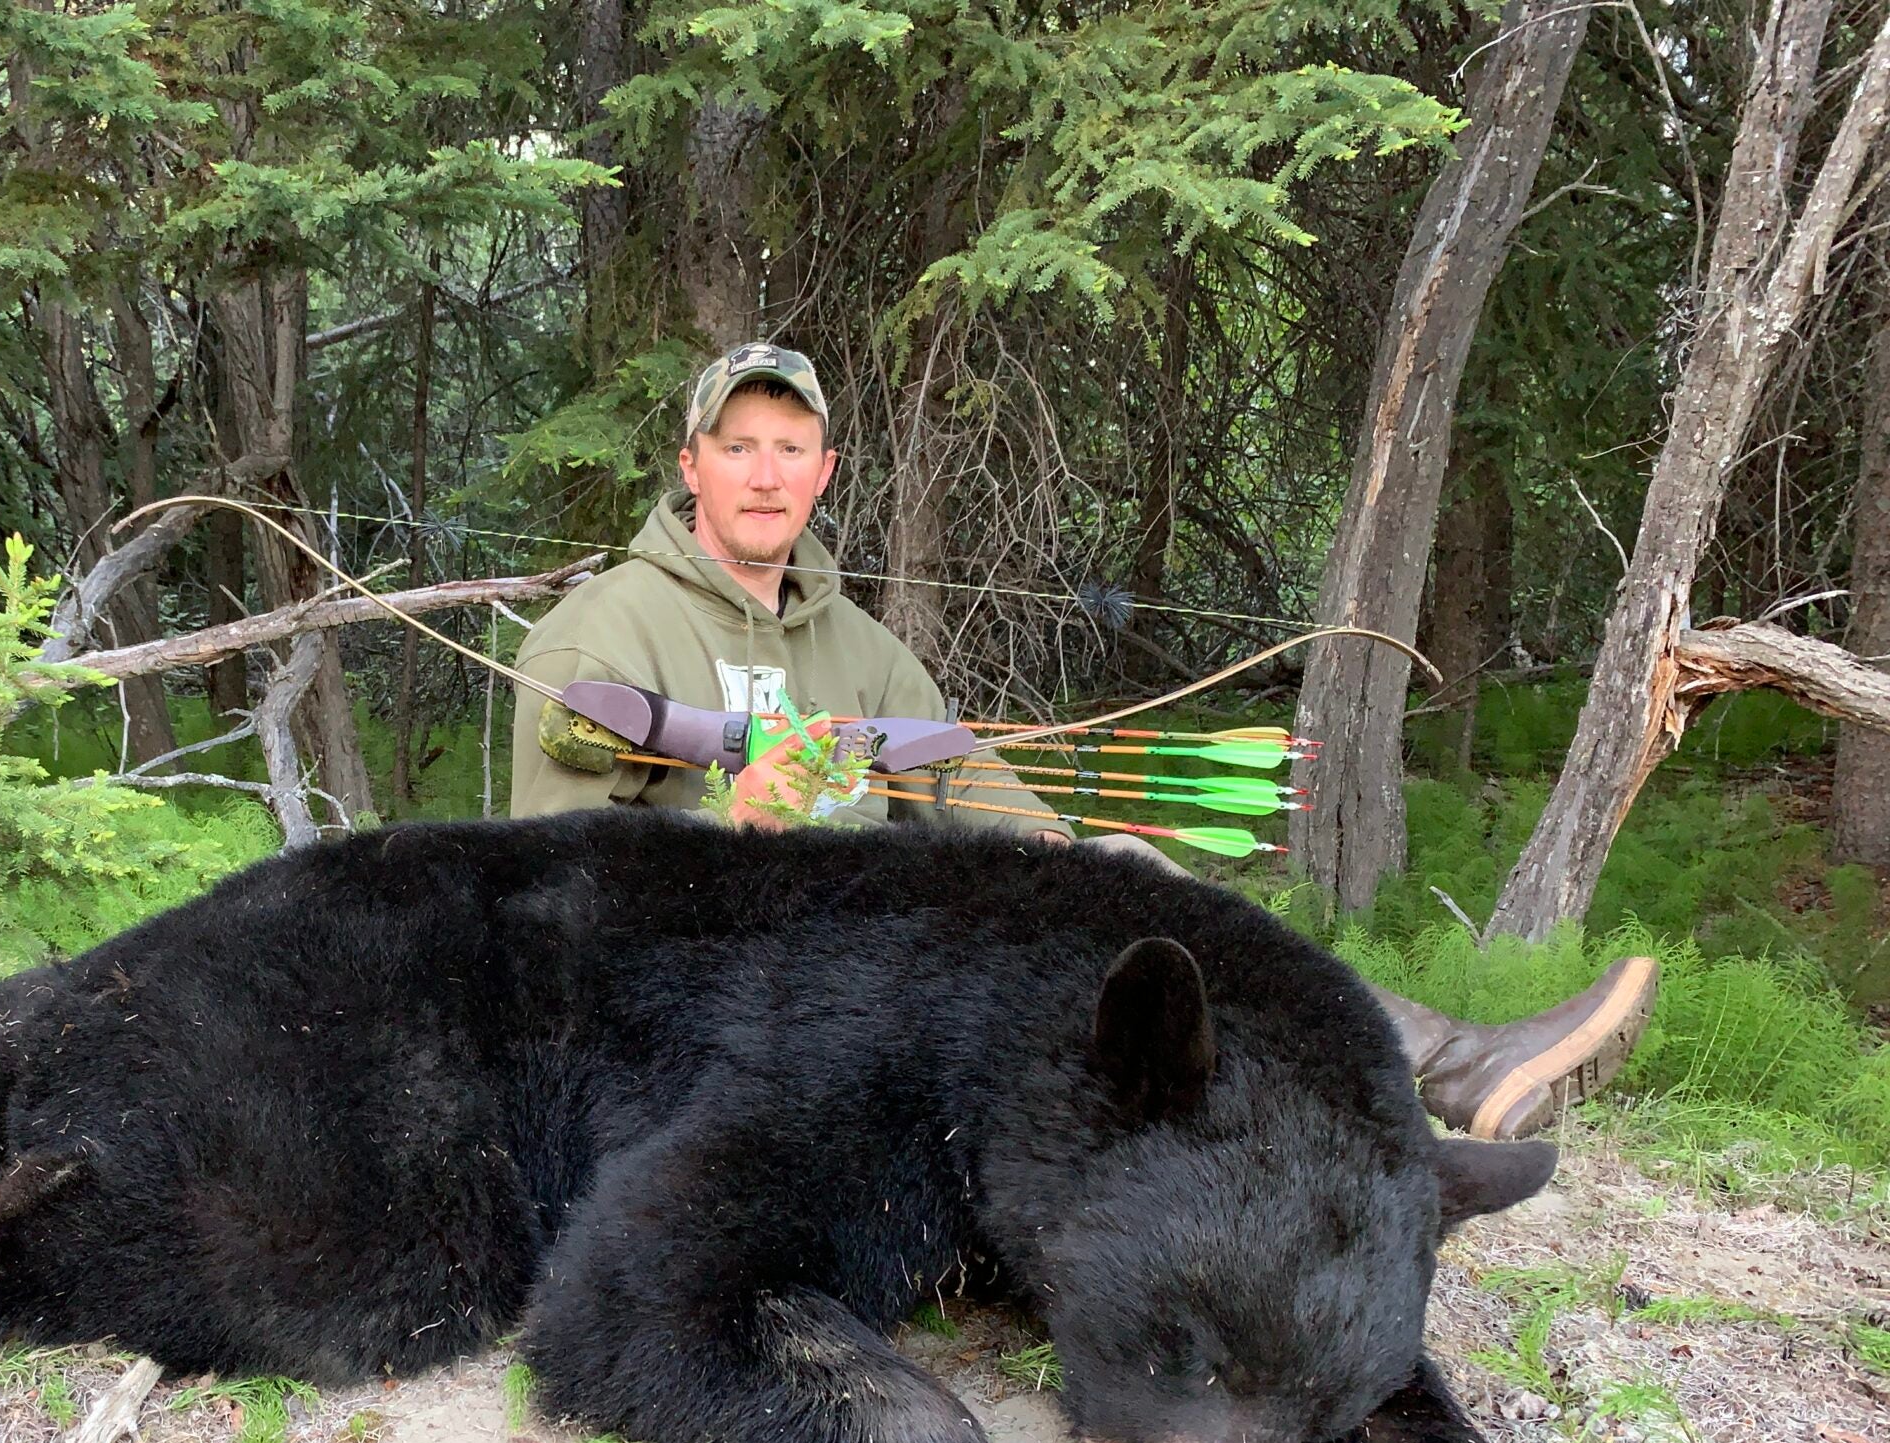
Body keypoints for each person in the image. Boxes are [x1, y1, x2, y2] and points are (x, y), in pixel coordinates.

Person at [507, 340, 1658, 1142]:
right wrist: (733, 830)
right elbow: (552, 910)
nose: (766, 474)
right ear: (689, 463)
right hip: (705, 1011)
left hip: (867, 968)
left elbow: (990, 800)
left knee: (1125, 883)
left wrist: (1092, 869)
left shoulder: (862, 650)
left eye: (791, 447)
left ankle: (1452, 1068)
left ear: (825, 471)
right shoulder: (599, 634)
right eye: (739, 444)